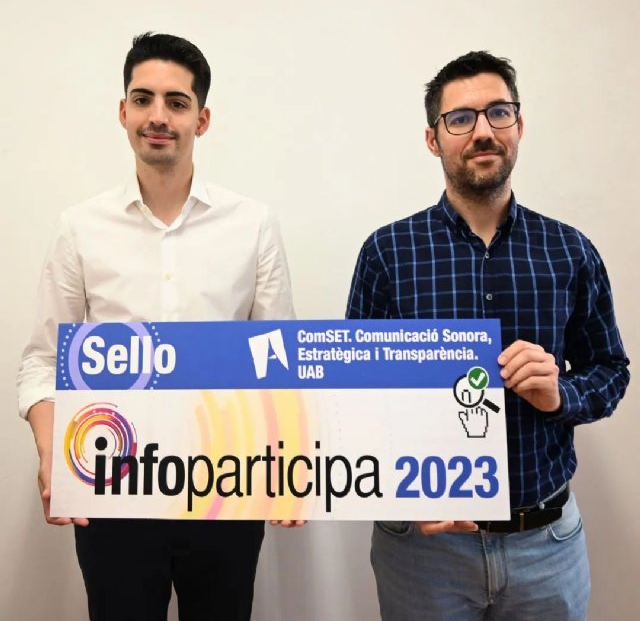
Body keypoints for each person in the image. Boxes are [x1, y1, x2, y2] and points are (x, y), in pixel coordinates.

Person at [18, 32, 296, 621]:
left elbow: (278, 359)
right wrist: (49, 452)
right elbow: (43, 360)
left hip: (226, 489)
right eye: (143, 99)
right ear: (123, 111)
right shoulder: (79, 227)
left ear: (202, 118)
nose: (158, 116)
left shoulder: (252, 224)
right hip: (110, 490)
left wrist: (288, 461)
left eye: (177, 102)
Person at [346, 51, 630, 621]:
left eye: (498, 113)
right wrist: (399, 491)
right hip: (423, 551)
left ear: (519, 126)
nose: (482, 131)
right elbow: (355, 395)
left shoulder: (570, 250)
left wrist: (561, 394)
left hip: (545, 544)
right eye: (460, 118)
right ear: (433, 139)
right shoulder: (387, 253)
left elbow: (610, 370)